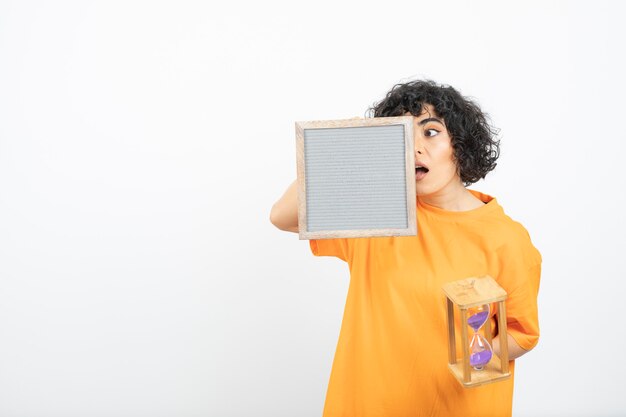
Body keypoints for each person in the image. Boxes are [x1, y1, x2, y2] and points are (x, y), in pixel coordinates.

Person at [269, 79, 541, 417]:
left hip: (456, 407)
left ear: (460, 143)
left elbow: (523, 334)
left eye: (430, 132)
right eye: (400, 133)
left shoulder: (506, 238)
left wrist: (478, 355)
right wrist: (342, 148)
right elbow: (281, 216)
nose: (414, 146)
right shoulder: (379, 218)